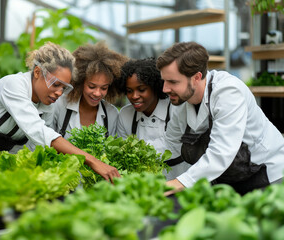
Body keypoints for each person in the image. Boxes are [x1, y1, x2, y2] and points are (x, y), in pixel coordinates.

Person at [0, 42, 120, 182]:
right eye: (55, 84)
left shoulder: (47, 104)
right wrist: (92, 161)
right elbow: (39, 131)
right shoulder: (13, 85)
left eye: (64, 88)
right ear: (38, 72)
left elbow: (33, 146)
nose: (59, 93)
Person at [157, 41, 284, 195]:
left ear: (196, 77)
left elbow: (221, 152)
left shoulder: (228, 92)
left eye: (173, 82)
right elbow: (170, 144)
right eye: (164, 80)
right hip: (231, 179)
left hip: (266, 175)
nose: (165, 88)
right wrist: (136, 169)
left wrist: (178, 183)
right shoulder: (181, 100)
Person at [116, 58, 190, 180]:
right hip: (142, 184)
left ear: (155, 87)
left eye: (141, 89)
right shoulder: (125, 114)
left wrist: (134, 150)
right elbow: (123, 153)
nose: (134, 96)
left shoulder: (176, 109)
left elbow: (174, 146)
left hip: (179, 181)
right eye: (129, 91)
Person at [51, 41, 127, 139]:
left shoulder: (111, 114)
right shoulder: (60, 105)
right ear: (80, 82)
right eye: (91, 86)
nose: (97, 93)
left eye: (104, 88)